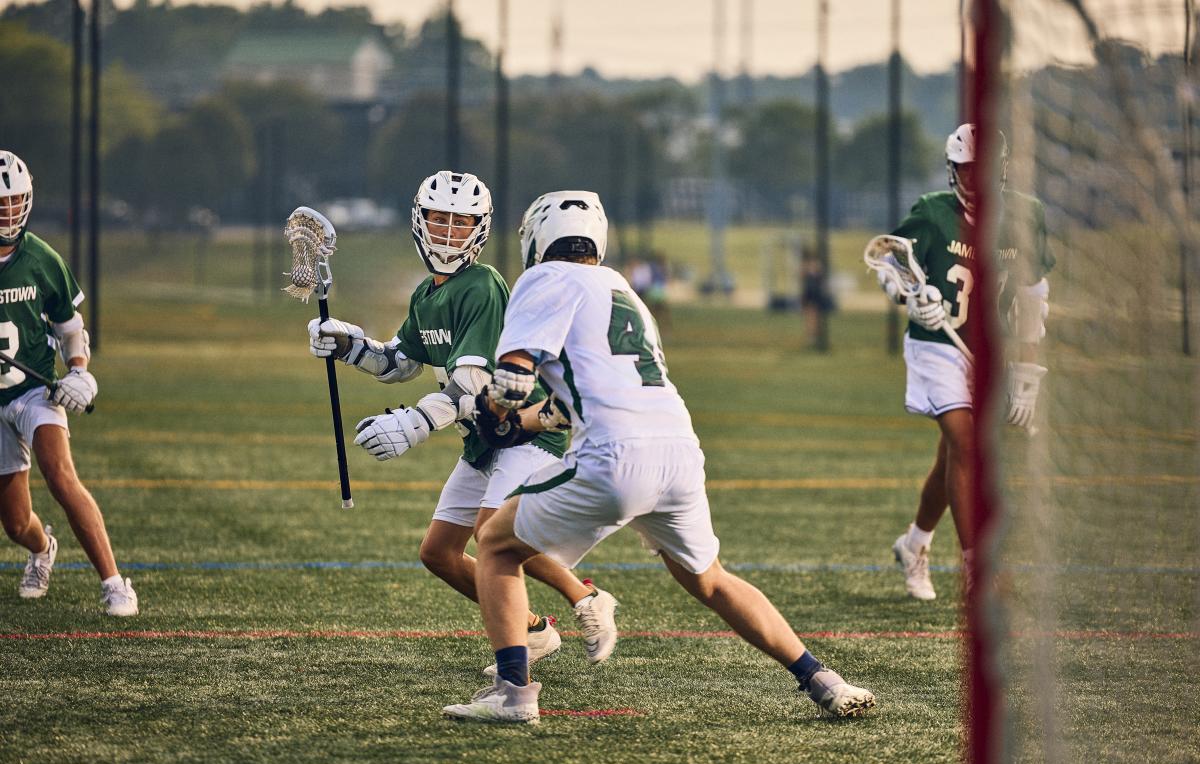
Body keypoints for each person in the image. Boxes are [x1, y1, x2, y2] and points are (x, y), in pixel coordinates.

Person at [442, 190, 876, 724]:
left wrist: (488, 409)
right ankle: (822, 678)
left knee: (495, 543)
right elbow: (570, 398)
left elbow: (513, 379)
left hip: (614, 457)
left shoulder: (544, 278)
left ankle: (513, 694)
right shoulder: (624, 289)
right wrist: (523, 419)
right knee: (712, 579)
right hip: (678, 452)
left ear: (536, 238)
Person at [307, 171, 618, 672]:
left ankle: (586, 598)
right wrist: (348, 346)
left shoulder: (482, 286)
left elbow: (474, 380)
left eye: (461, 222)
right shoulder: (427, 294)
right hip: (481, 438)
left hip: (522, 430)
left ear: (480, 228)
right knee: (439, 552)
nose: (449, 232)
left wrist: (415, 423)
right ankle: (532, 632)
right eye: (439, 219)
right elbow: (400, 363)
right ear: (419, 221)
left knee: (491, 532)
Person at [878, 124, 1053, 600]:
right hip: (935, 344)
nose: (972, 179)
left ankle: (914, 543)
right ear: (952, 169)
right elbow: (888, 264)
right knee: (965, 441)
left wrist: (1027, 370)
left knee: (954, 455)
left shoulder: (1024, 214)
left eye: (980, 169)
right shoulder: (932, 212)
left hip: (987, 346)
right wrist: (911, 299)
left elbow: (1033, 296)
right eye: (964, 169)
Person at [0, 150, 138, 615]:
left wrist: (79, 369)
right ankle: (42, 550)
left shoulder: (41, 258)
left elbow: (70, 328)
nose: (8, 211)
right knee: (17, 524)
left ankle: (115, 582)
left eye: (14, 200)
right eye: (1, 203)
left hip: (35, 390)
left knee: (60, 475)